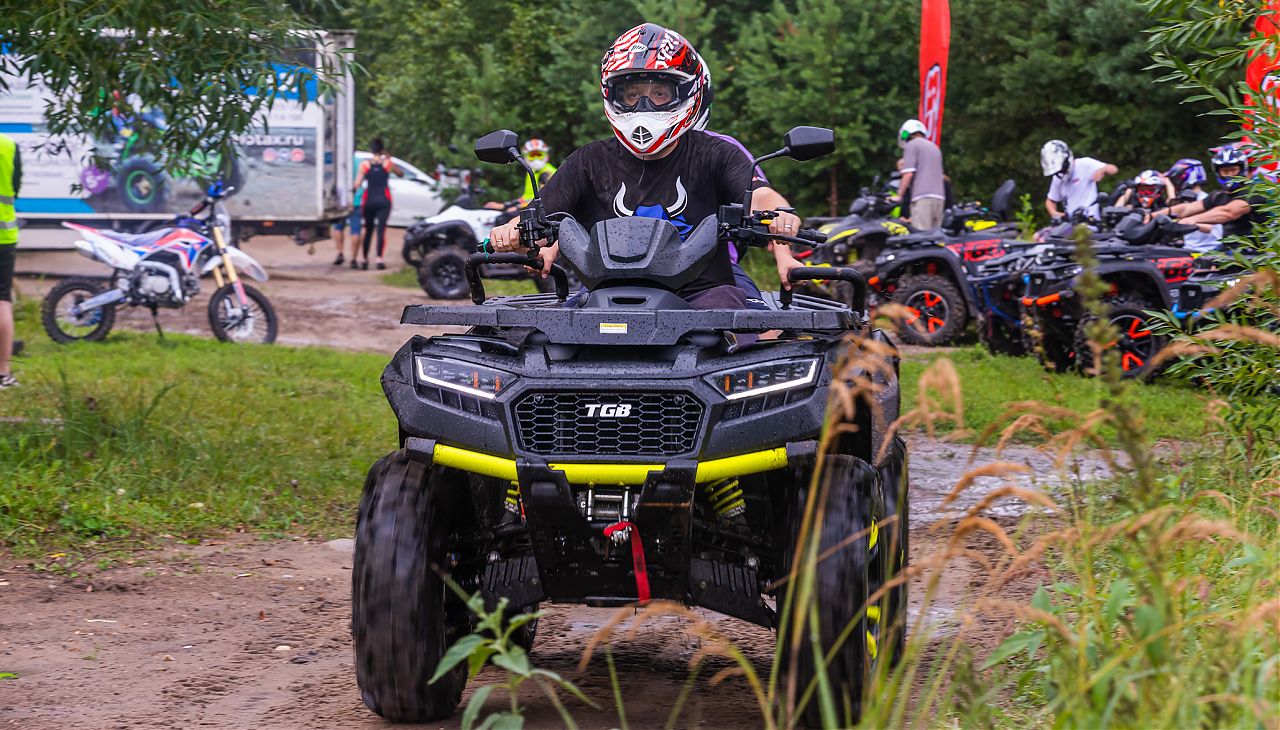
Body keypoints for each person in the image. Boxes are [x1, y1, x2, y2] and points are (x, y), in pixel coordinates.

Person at [488, 23, 803, 308]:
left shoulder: (716, 152)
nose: (643, 105)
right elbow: (542, 216)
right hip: (606, 291)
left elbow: (760, 197)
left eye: (659, 93)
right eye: (632, 94)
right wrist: (512, 232)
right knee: (537, 341)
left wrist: (781, 218)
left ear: (685, 92)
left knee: (761, 337)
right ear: (613, 95)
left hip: (704, 290)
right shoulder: (589, 160)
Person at [1152, 143, 1267, 252]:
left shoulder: (1254, 191)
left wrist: (1192, 220)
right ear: (1218, 172)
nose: (1230, 175)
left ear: (1242, 170)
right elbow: (1186, 209)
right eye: (1225, 171)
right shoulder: (1218, 195)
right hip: (1229, 250)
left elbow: (1228, 212)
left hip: (1256, 253)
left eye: (1233, 170)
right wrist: (1152, 216)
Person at [351, 138, 401, 270]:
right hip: (384, 200)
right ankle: (379, 259)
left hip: (369, 200)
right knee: (381, 230)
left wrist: (351, 196)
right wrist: (389, 157)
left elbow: (357, 184)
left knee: (368, 230)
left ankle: (364, 259)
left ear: (371, 150)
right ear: (382, 149)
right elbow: (400, 173)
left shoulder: (365, 165)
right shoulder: (387, 164)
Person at [1040, 139, 1118, 220]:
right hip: (1071, 223)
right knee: (1042, 233)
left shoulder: (1084, 164)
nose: (1061, 173)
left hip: (1089, 222)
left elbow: (1113, 169)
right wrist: (1056, 214)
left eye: (1062, 169)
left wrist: (1103, 170)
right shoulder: (1058, 177)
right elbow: (1050, 200)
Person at [892, 119, 946, 230]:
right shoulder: (934, 147)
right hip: (939, 198)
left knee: (921, 237)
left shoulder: (912, 145)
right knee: (935, 236)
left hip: (922, 197)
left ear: (906, 134)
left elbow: (908, 174)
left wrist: (899, 196)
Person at [0, 132, 21, 389]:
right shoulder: (9, 146)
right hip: (3, 235)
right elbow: (16, 188)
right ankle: (3, 373)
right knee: (1, 299)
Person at [331, 156, 363, 266]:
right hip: (356, 200)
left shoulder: (339, 158)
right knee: (355, 231)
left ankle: (340, 252)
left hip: (341, 201)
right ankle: (353, 259)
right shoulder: (359, 162)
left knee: (337, 228)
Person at [520, 139, 557, 205]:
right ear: (525, 157)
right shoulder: (531, 172)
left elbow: (547, 199)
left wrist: (516, 208)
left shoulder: (550, 173)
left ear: (547, 156)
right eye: (532, 155)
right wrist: (506, 205)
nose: (536, 159)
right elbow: (526, 197)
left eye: (539, 155)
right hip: (529, 207)